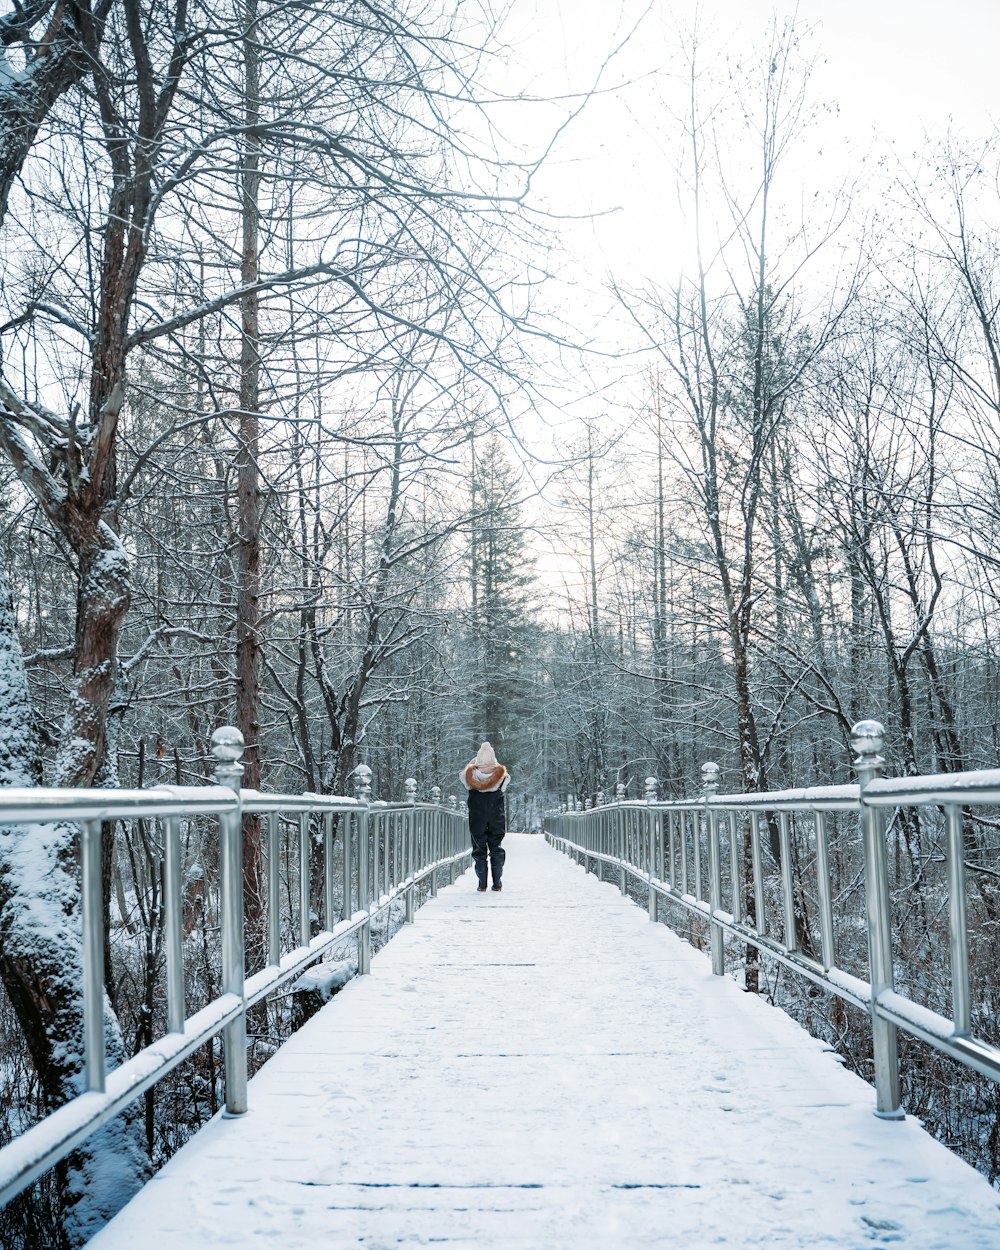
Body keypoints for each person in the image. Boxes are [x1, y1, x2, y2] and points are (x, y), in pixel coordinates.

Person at [460, 741, 510, 893]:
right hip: (496, 816)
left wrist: (473, 764)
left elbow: (462, 774)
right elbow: (507, 777)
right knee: (496, 848)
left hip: (477, 817)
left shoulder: (469, 777)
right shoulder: (502, 776)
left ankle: (482, 884)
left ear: (477, 760)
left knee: (479, 849)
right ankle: (497, 883)